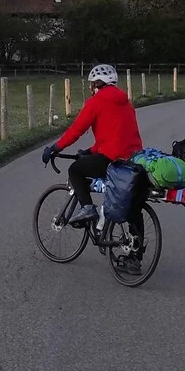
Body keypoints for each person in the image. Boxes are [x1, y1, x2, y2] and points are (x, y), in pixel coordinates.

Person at [40, 64, 146, 271]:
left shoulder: (97, 102)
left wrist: (55, 147)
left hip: (111, 160)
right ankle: (135, 259)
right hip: (133, 161)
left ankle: (88, 208)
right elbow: (114, 135)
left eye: (91, 85)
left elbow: (76, 129)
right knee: (132, 204)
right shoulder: (126, 103)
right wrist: (90, 151)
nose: (91, 88)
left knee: (75, 170)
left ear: (97, 84)